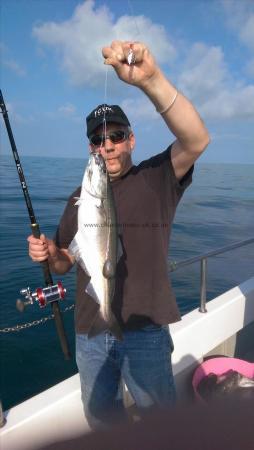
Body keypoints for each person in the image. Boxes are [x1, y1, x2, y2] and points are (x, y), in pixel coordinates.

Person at [28, 41, 210, 429]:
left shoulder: (156, 178)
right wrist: (49, 252)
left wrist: (151, 80)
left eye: (115, 136)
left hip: (146, 330)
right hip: (90, 332)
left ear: (131, 139)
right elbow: (66, 261)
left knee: (163, 425)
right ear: (90, 148)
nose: (106, 146)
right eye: (97, 140)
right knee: (102, 425)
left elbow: (197, 140)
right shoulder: (81, 198)